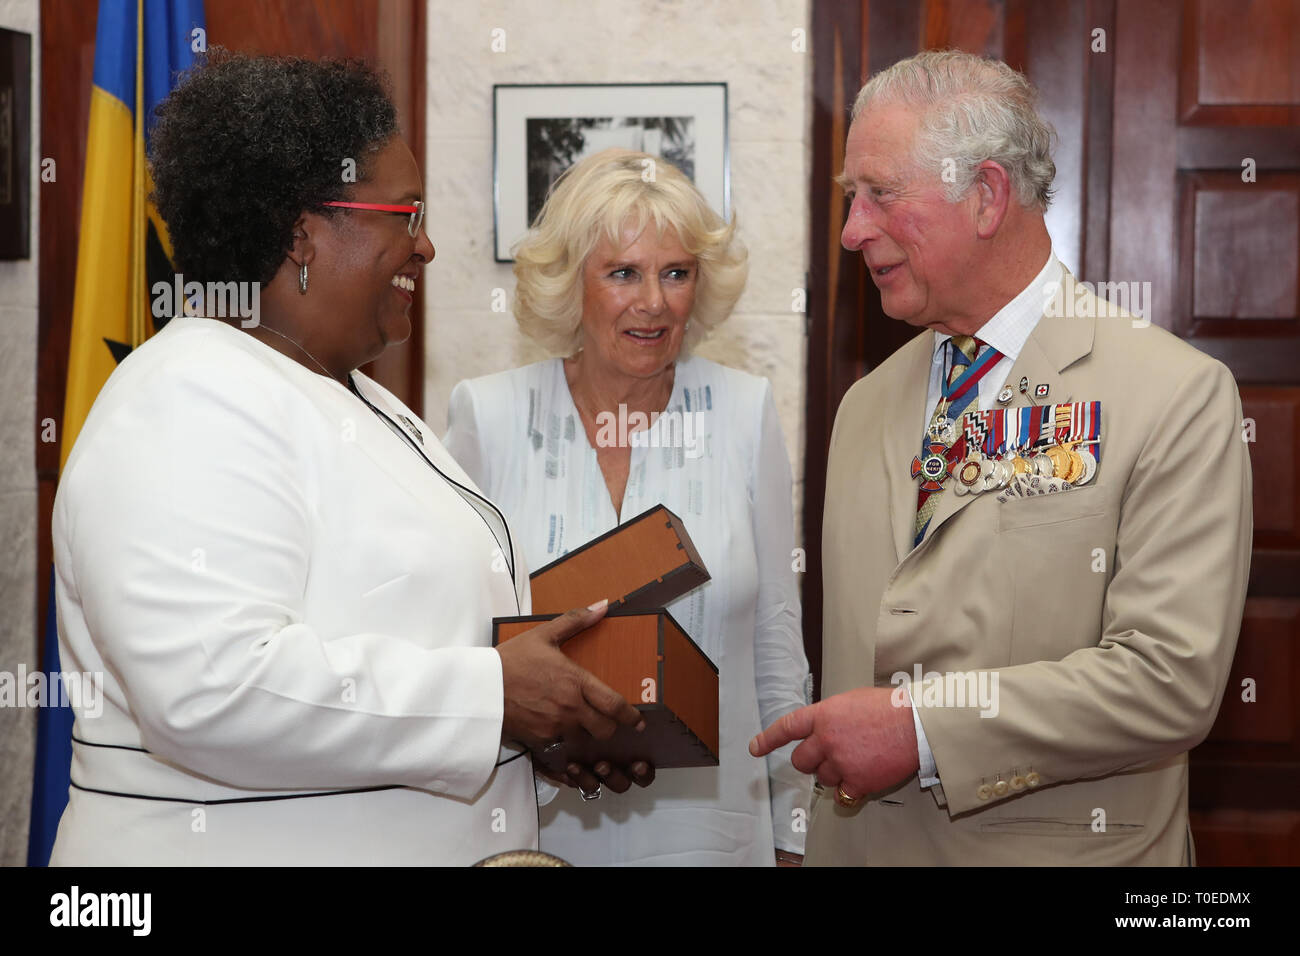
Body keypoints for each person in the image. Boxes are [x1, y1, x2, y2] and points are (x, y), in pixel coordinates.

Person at [49, 51, 648, 867]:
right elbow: (212, 690)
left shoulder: (359, 400)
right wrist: (493, 699)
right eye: (406, 214)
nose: (427, 247)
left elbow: (412, 644)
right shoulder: (185, 398)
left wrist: (542, 731)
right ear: (304, 230)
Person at [751, 50, 1252, 865]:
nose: (852, 231)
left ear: (985, 195)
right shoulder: (865, 404)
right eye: (852, 199)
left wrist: (919, 731)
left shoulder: (1176, 394)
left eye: (881, 194)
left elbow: (1167, 681)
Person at [444, 148, 813, 866]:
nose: (655, 301)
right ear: (570, 284)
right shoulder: (486, 416)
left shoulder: (743, 412)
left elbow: (776, 643)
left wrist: (793, 832)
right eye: (623, 273)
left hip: (710, 835)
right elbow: (453, 637)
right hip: (534, 828)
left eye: (676, 273)